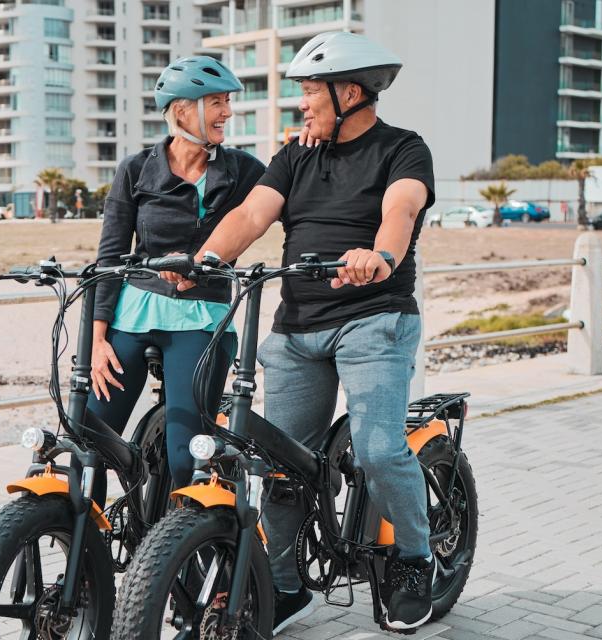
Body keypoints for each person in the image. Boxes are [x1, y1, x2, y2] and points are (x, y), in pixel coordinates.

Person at [174, 31, 437, 632]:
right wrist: (208, 258)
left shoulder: (403, 148)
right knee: (282, 462)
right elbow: (250, 215)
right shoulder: (294, 156)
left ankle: (415, 558)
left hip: (375, 319)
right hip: (296, 327)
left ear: (350, 93)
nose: (303, 104)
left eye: (311, 92)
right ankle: (286, 586)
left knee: (376, 449)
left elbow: (401, 209)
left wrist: (381, 256)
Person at [88, 56, 265, 507]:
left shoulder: (244, 170)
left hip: (203, 319)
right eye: (217, 102)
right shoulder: (136, 169)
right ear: (182, 110)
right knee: (88, 434)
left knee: (187, 455)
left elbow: (281, 200)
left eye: (227, 102)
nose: (227, 112)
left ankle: (185, 554)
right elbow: (110, 255)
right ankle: (99, 527)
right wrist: (96, 338)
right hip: (134, 312)